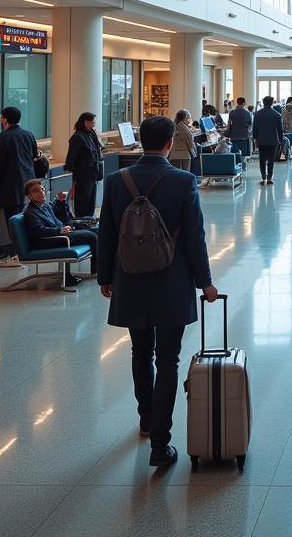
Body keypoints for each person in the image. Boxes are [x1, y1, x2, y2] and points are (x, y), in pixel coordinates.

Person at [97, 115, 218, 470]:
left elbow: (106, 232)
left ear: (142, 140)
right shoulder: (183, 181)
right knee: (168, 359)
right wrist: (205, 281)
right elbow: (195, 236)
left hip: (130, 278)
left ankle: (146, 419)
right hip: (172, 280)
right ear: (170, 143)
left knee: (140, 351)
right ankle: (161, 444)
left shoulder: (117, 181)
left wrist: (106, 276)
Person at [0, 106, 40, 267]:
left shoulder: (3, 137)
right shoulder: (28, 134)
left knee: (13, 219)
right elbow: (34, 155)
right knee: (22, 217)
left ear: (4, 119)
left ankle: (18, 254)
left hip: (11, 183)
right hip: (28, 181)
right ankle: (23, 250)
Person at [22, 178, 98, 285]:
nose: (41, 193)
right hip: (50, 240)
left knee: (96, 230)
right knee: (91, 236)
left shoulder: (45, 206)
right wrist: (60, 230)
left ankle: (97, 266)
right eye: (36, 191)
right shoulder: (31, 212)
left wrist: (62, 203)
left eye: (42, 189)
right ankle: (98, 267)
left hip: (60, 234)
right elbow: (39, 231)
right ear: (29, 196)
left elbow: (64, 218)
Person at [65, 112, 103, 219]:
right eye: (92, 122)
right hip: (83, 175)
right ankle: (81, 222)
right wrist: (69, 167)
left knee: (91, 201)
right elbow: (71, 156)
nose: (93, 125)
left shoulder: (90, 135)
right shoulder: (77, 137)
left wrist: (94, 135)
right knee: (82, 202)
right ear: (85, 122)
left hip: (92, 174)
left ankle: (89, 221)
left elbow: (97, 150)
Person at [252, 95, 284, 184]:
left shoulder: (258, 114)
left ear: (263, 102)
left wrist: (255, 138)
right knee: (271, 159)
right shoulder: (277, 114)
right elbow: (280, 129)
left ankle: (263, 177)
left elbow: (255, 128)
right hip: (273, 140)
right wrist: (280, 139)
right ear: (272, 102)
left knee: (262, 159)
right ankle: (269, 177)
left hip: (261, 140)